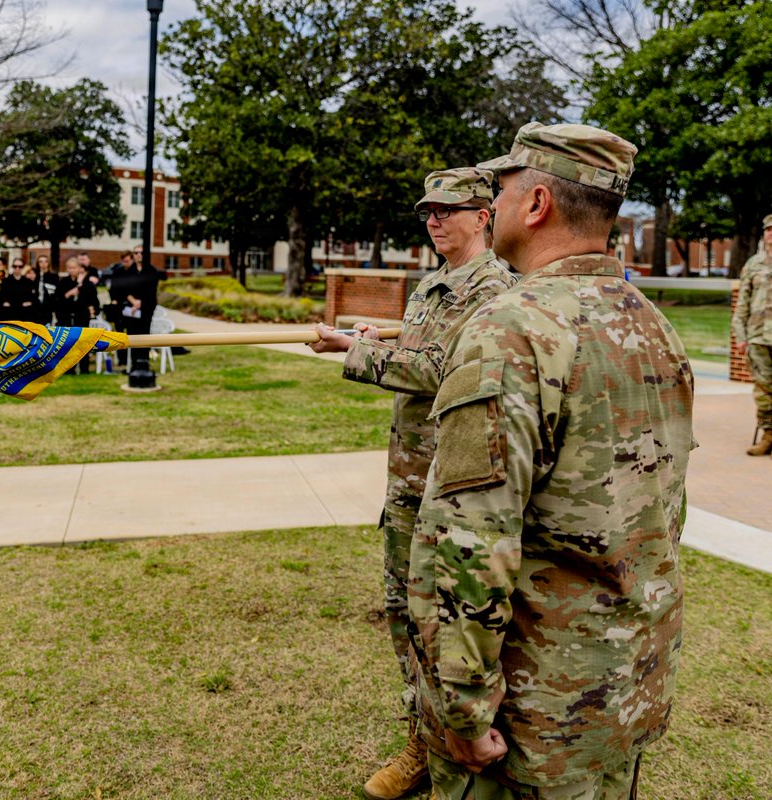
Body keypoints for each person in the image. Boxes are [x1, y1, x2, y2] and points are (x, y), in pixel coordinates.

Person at [411, 123, 693, 800]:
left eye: (501, 190)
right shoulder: (651, 322)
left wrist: (464, 709)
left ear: (535, 204)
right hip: (627, 678)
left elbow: (472, 543)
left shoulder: (510, 329)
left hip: (537, 703)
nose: (493, 204)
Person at [310, 168, 516, 800]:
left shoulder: (496, 289)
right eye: (427, 210)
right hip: (407, 479)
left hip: (455, 484)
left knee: (449, 621)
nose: (433, 220)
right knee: (403, 613)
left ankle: (465, 739)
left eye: (447, 210)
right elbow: (420, 349)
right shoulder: (432, 285)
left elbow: (437, 370)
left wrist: (352, 349)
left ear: (483, 216)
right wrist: (375, 337)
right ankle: (422, 739)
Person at [732, 214, 772, 455]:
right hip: (758, 337)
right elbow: (742, 304)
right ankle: (768, 435)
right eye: (769, 230)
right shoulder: (753, 264)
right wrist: (740, 336)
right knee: (763, 388)